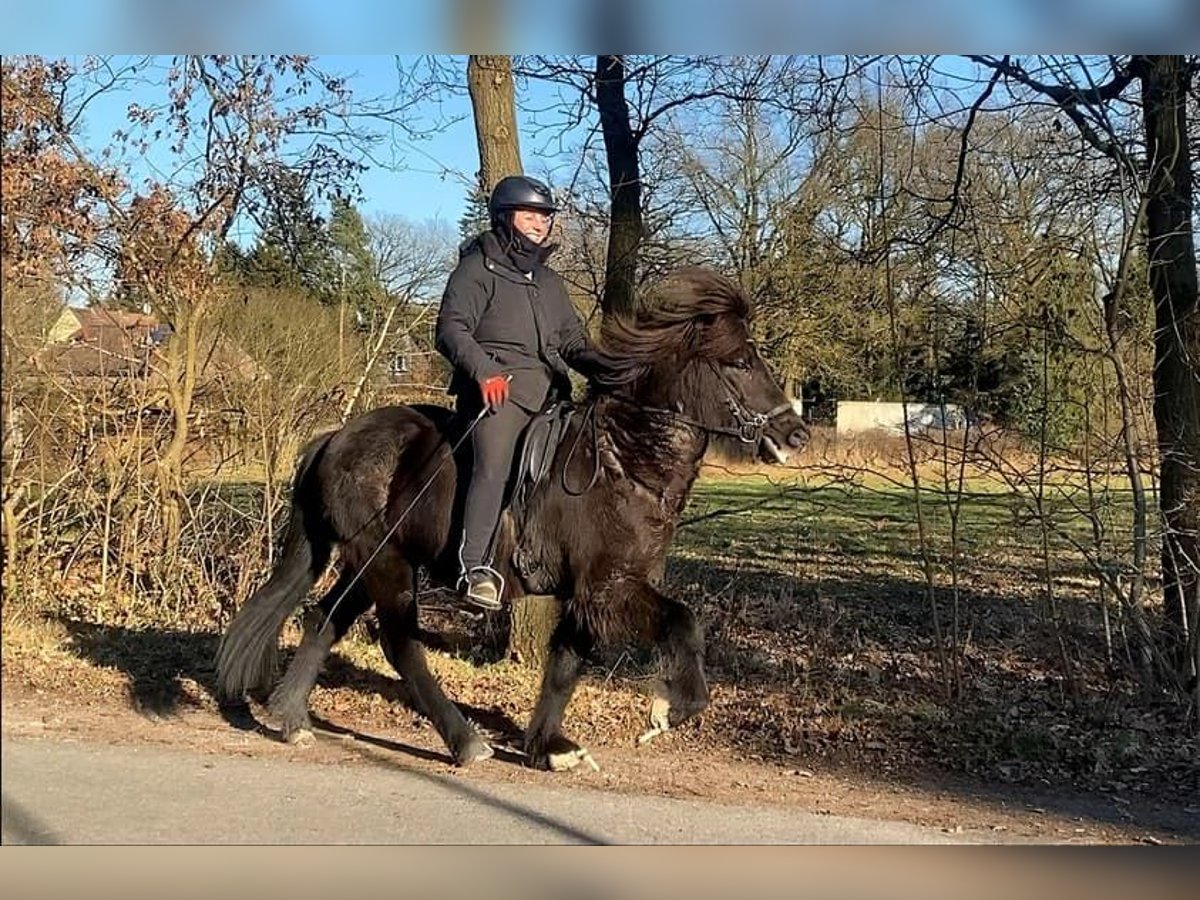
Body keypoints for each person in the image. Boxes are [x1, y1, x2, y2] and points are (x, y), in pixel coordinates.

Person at [435, 175, 633, 611]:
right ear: (506, 219)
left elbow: (574, 344)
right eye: (532, 216)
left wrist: (618, 368)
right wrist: (484, 371)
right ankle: (475, 570)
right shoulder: (476, 269)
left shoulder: (548, 282)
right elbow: (450, 329)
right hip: (498, 395)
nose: (541, 225)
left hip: (551, 396)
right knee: (495, 467)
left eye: (545, 217)